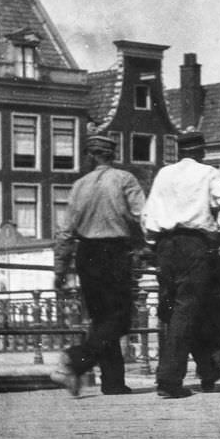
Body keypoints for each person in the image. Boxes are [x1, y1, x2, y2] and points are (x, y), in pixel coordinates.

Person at [141, 130, 220, 399]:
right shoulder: (208, 173)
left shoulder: (163, 174)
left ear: (178, 151)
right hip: (194, 246)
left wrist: (153, 242)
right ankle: (169, 380)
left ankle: (207, 369)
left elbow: (147, 214)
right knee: (188, 308)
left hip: (164, 246)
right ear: (202, 151)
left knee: (174, 309)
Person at [52, 133, 147, 397]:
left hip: (86, 253)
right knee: (121, 318)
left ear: (90, 155)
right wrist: (148, 244)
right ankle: (75, 360)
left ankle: (113, 382)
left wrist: (60, 269)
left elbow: (64, 232)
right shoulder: (125, 179)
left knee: (101, 318)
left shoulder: (78, 185)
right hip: (115, 252)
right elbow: (144, 215)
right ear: (111, 155)